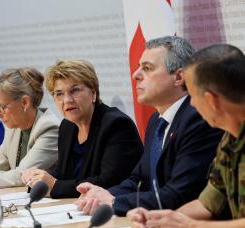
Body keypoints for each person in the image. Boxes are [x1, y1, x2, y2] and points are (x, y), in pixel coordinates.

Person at [75, 36, 223, 216]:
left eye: (147, 68)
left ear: (178, 77)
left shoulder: (198, 118)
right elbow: (139, 179)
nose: (135, 74)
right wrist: (103, 194)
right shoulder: (156, 121)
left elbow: (181, 194)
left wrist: (114, 202)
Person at [128, 44, 245, 228]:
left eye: (192, 95)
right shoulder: (229, 139)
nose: (191, 104)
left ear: (212, 100)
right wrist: (164, 220)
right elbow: (208, 203)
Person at [21, 59, 143, 198]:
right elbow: (64, 173)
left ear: (93, 93)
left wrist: (54, 184)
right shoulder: (67, 126)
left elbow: (109, 182)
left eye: (75, 90)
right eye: (59, 94)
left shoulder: (117, 125)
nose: (67, 100)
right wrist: (38, 177)